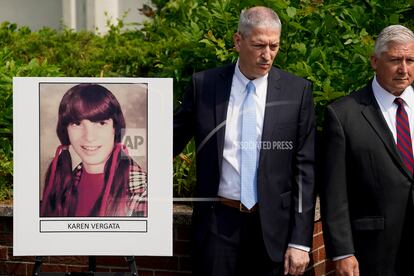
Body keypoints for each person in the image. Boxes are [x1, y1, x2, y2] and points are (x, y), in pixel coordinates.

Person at [173, 6, 316, 276]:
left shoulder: (297, 91)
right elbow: (170, 141)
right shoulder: (204, 85)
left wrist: (300, 241)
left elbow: (304, 170)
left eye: (274, 46)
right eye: (259, 45)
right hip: (219, 226)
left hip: (275, 227)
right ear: (238, 41)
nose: (267, 55)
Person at [320, 25, 414, 275]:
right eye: (395, 60)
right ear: (374, 61)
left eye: (410, 60)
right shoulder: (342, 115)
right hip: (373, 252)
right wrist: (342, 251)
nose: (403, 69)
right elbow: (334, 191)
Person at [40, 84, 147, 217]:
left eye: (101, 123)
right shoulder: (63, 181)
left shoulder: (142, 190)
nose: (89, 137)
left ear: (115, 128)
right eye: (77, 124)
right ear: (66, 130)